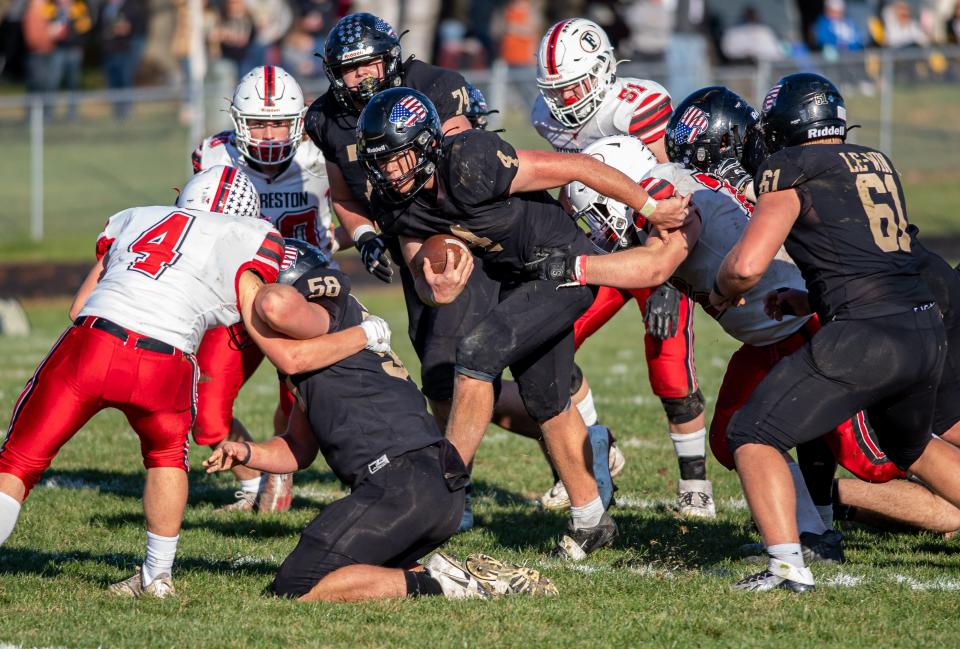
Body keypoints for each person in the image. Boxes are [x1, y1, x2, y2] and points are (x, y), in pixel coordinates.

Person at [306, 13, 613, 531]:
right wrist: (365, 235)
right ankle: (568, 444)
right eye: (350, 69)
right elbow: (343, 194)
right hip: (407, 232)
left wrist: (435, 249)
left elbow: (450, 173)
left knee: (476, 360)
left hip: (461, 237)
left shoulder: (436, 85)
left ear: (391, 59)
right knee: (444, 376)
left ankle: (462, 487)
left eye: (369, 66)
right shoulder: (324, 117)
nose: (360, 78)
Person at [355, 87, 690, 559]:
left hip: (564, 265)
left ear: (427, 143)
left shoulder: (470, 160)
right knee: (545, 400)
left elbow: (579, 167)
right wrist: (437, 289)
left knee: (476, 352)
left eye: (399, 157)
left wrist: (651, 208)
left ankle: (443, 488)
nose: (391, 170)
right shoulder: (394, 201)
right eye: (381, 161)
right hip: (515, 277)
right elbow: (420, 267)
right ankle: (591, 519)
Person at [712, 73, 960, 592]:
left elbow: (747, 266)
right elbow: (875, 258)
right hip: (922, 325)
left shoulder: (789, 167)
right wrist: (809, 299)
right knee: (911, 446)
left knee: (753, 433)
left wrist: (721, 289)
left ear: (784, 127)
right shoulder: (876, 160)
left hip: (868, 335)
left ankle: (786, 566)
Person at [203, 246, 558, 602]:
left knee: (298, 586)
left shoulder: (330, 317)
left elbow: (275, 306)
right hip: (428, 489)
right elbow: (299, 448)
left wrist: (251, 283)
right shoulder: (333, 353)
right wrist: (247, 451)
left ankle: (444, 585)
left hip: (401, 485)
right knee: (346, 573)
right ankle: (447, 574)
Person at [0, 166, 282, 598]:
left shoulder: (135, 216)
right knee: (167, 457)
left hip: (95, 341)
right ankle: (156, 575)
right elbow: (253, 310)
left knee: (18, 461)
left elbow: (77, 308)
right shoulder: (249, 234)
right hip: (167, 358)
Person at [531, 18, 712, 518]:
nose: (566, 100)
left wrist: (669, 278)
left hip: (657, 244)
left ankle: (695, 487)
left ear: (604, 68)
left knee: (670, 365)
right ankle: (592, 455)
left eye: (575, 85)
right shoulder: (546, 118)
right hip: (598, 246)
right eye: (557, 90)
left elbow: (678, 184)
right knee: (551, 343)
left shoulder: (639, 104)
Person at [189, 65, 336, 513]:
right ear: (238, 122)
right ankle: (253, 479)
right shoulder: (212, 155)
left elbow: (349, 209)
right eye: (258, 123)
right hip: (237, 300)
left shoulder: (321, 153)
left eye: (279, 123)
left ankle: (281, 472)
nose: (270, 134)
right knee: (203, 412)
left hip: (305, 296)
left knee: (300, 402)